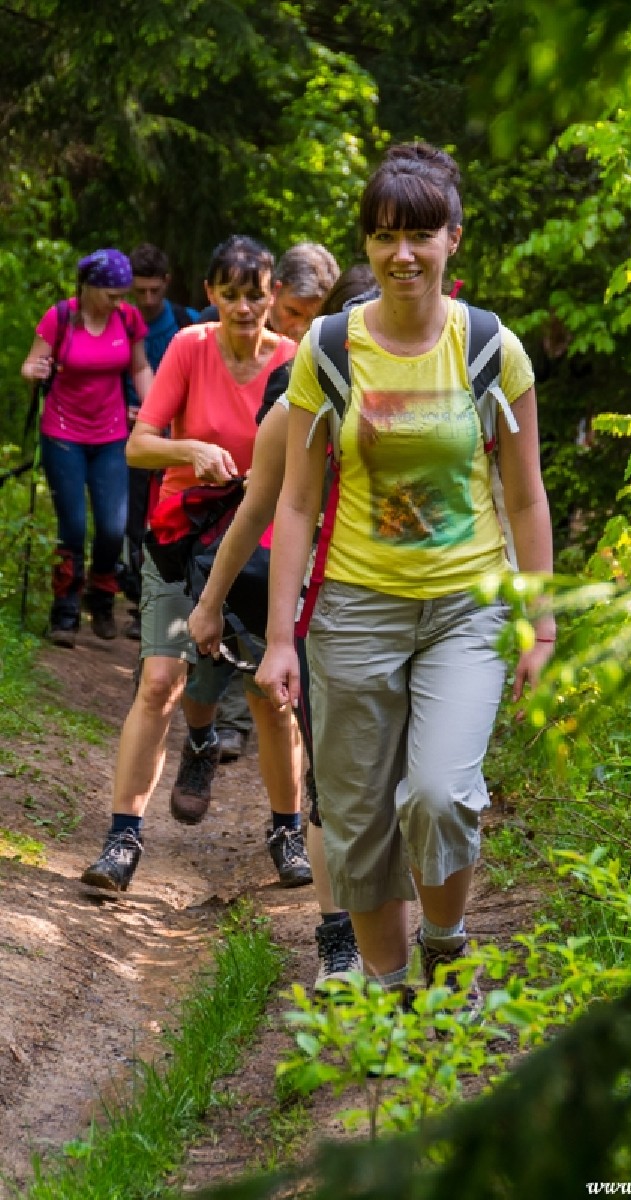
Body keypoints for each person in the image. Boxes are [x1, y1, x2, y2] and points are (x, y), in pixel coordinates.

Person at [258, 143, 556, 1002]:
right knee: (356, 820)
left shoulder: (492, 348)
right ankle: (388, 998)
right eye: (386, 236)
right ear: (367, 243)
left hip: (467, 608)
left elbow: (526, 497)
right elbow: (296, 504)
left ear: (453, 239)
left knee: (438, 794)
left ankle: (446, 942)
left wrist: (540, 624)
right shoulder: (328, 349)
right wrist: (278, 639)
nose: (403, 255)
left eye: (421, 235)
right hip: (354, 612)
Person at [79, 235, 311, 895]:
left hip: (262, 548)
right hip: (181, 539)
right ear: (210, 294)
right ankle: (122, 839)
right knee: (160, 682)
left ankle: (287, 832)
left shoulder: (295, 361)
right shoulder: (188, 346)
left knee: (270, 694)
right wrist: (192, 450)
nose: (243, 308)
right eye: (229, 294)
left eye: (255, 294)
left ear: (273, 296)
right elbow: (138, 446)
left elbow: (311, 465)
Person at [187, 264, 376, 985]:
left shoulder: (435, 392)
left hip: (404, 603)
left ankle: (401, 927)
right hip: (316, 604)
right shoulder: (298, 394)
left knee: (397, 781)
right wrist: (211, 604)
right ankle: (338, 936)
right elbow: (258, 510)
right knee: (332, 774)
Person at [208, 242, 341, 765]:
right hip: (242, 499)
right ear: (275, 294)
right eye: (293, 314)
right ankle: (223, 721)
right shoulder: (248, 347)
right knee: (238, 594)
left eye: (314, 316)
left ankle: (260, 724)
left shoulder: (328, 357)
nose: (301, 327)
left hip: (304, 519)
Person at [21, 249, 153, 647]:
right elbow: (31, 364)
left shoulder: (127, 319)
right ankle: (64, 612)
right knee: (73, 527)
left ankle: (101, 595)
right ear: (90, 288)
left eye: (123, 294)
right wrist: (35, 371)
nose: (120, 302)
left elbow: (139, 367)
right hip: (62, 434)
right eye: (113, 295)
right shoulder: (60, 317)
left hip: (111, 435)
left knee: (113, 527)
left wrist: (154, 410)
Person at [121, 242, 201, 640]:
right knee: (132, 521)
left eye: (155, 290)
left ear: (167, 283)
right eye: (140, 291)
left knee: (166, 518)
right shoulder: (120, 324)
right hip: (126, 434)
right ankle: (138, 598)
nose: (149, 299)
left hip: (176, 441)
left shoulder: (189, 324)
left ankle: (171, 602)